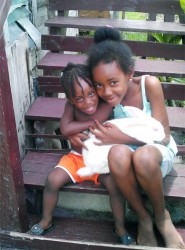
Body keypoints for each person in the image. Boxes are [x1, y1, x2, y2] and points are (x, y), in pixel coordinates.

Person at [81, 26, 185, 248]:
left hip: (155, 152)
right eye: (99, 85)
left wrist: (122, 135)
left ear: (129, 73)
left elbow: (164, 137)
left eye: (113, 82)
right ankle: (143, 218)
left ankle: (161, 216)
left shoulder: (149, 85)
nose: (107, 92)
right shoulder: (103, 99)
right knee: (117, 154)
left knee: (144, 157)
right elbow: (100, 133)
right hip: (125, 156)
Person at [30, 63, 136, 245]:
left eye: (91, 94)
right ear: (70, 100)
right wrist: (86, 126)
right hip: (76, 158)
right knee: (52, 180)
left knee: (115, 186)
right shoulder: (69, 107)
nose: (87, 102)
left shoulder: (106, 104)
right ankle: (46, 221)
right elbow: (65, 127)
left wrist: (79, 127)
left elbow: (96, 121)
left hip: (101, 160)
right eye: (79, 99)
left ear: (96, 89)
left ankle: (120, 228)